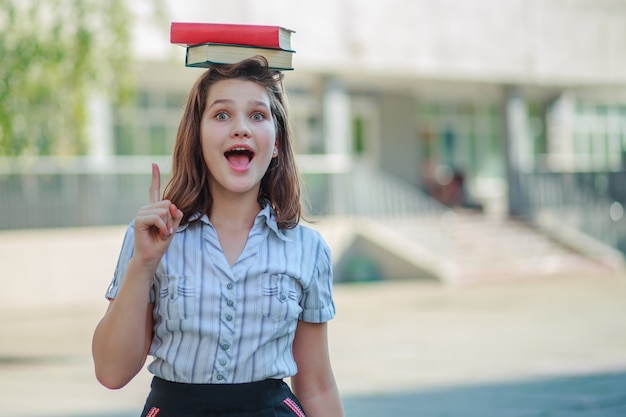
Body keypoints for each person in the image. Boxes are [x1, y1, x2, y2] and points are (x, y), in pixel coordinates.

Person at [92, 56, 344, 417]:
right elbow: (111, 372)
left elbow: (317, 386)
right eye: (222, 115)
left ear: (275, 143)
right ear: (197, 136)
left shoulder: (308, 249)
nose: (240, 128)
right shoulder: (149, 238)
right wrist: (144, 263)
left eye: (257, 115)